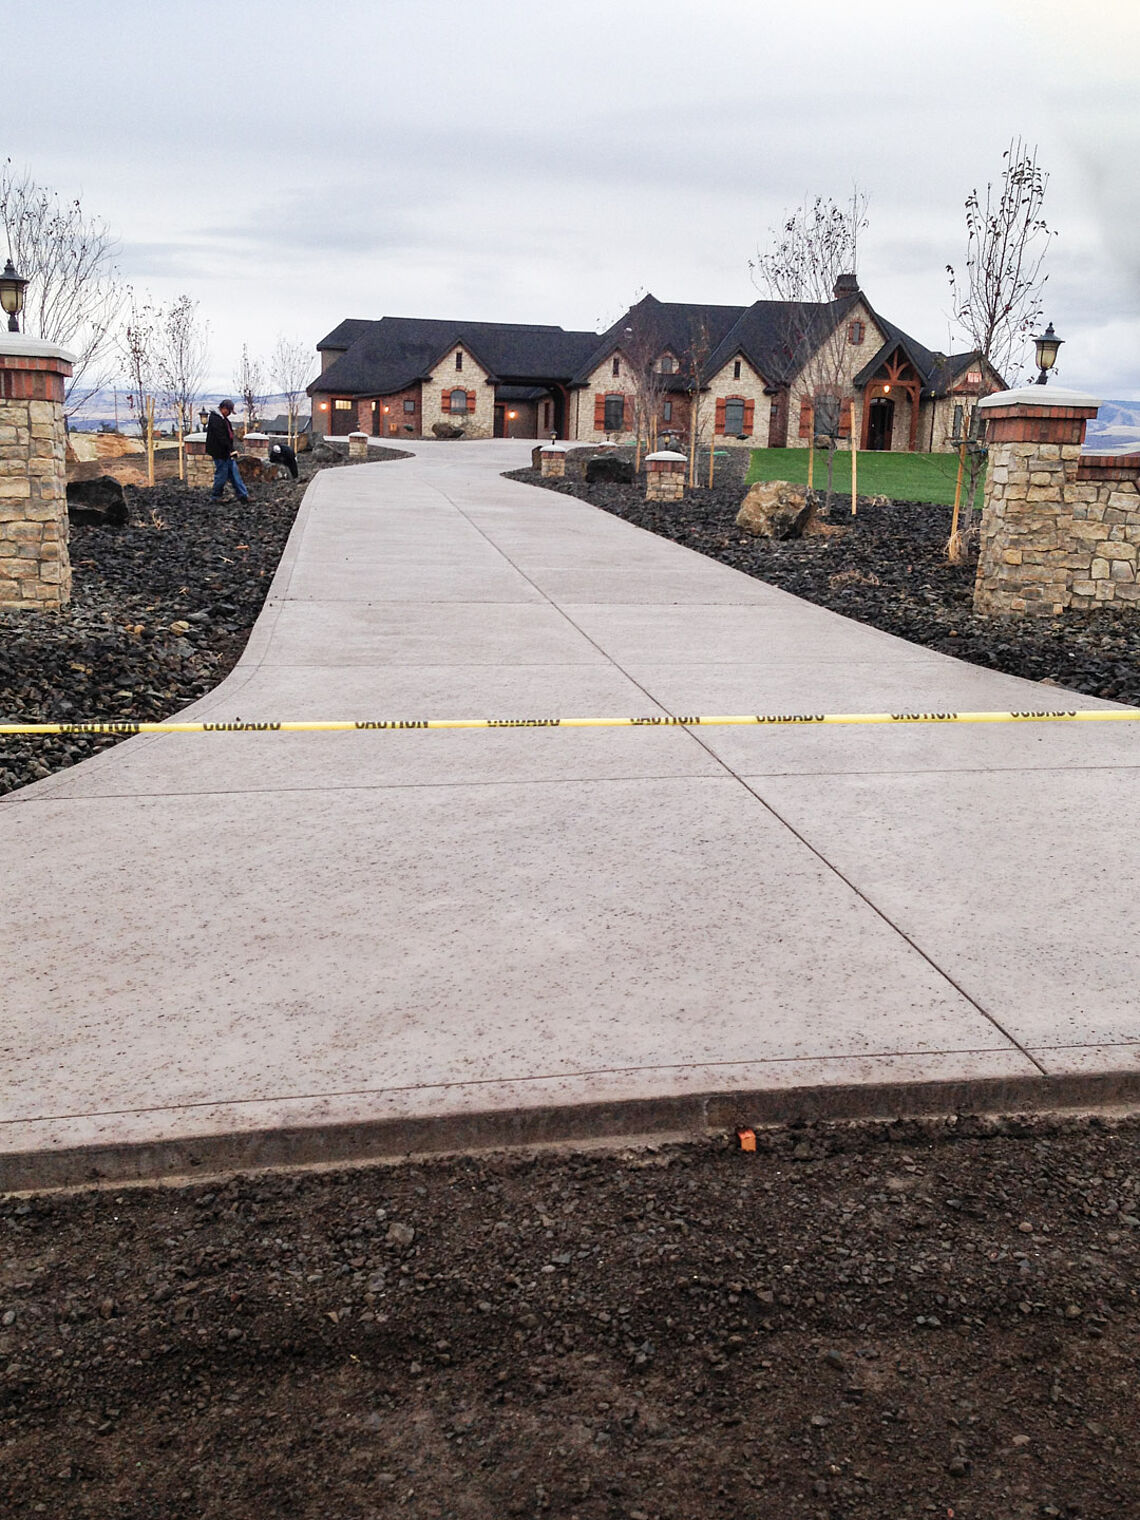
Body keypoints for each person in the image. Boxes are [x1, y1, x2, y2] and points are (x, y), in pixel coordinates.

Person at [204, 399, 250, 502]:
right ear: (223, 408)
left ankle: (243, 496)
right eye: (228, 411)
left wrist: (231, 450)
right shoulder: (215, 419)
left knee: (235, 474)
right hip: (219, 452)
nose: (229, 414)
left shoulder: (223, 419)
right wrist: (230, 450)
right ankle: (216, 497)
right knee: (221, 475)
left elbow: (228, 436)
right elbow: (221, 437)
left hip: (226, 452)